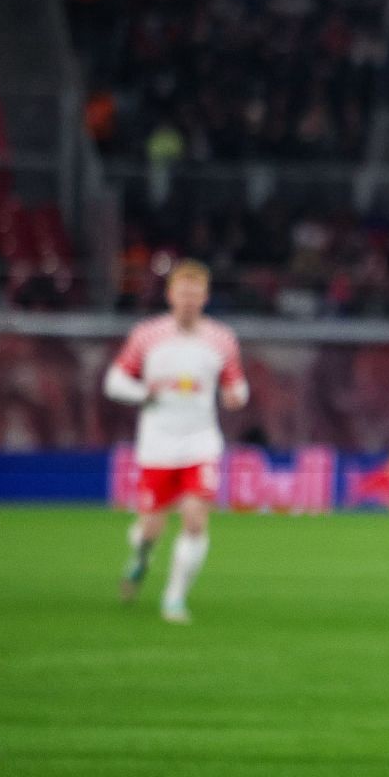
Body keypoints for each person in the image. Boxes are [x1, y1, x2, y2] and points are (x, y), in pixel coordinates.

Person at [104, 260, 248, 623]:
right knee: (150, 526)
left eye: (195, 294)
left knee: (196, 521)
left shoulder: (222, 338)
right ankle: (141, 555)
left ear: (205, 297)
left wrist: (237, 396)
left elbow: (236, 384)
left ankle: (174, 597)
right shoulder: (147, 335)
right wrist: (143, 394)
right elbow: (115, 381)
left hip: (201, 442)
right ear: (170, 295)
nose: (188, 300)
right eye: (182, 293)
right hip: (157, 444)